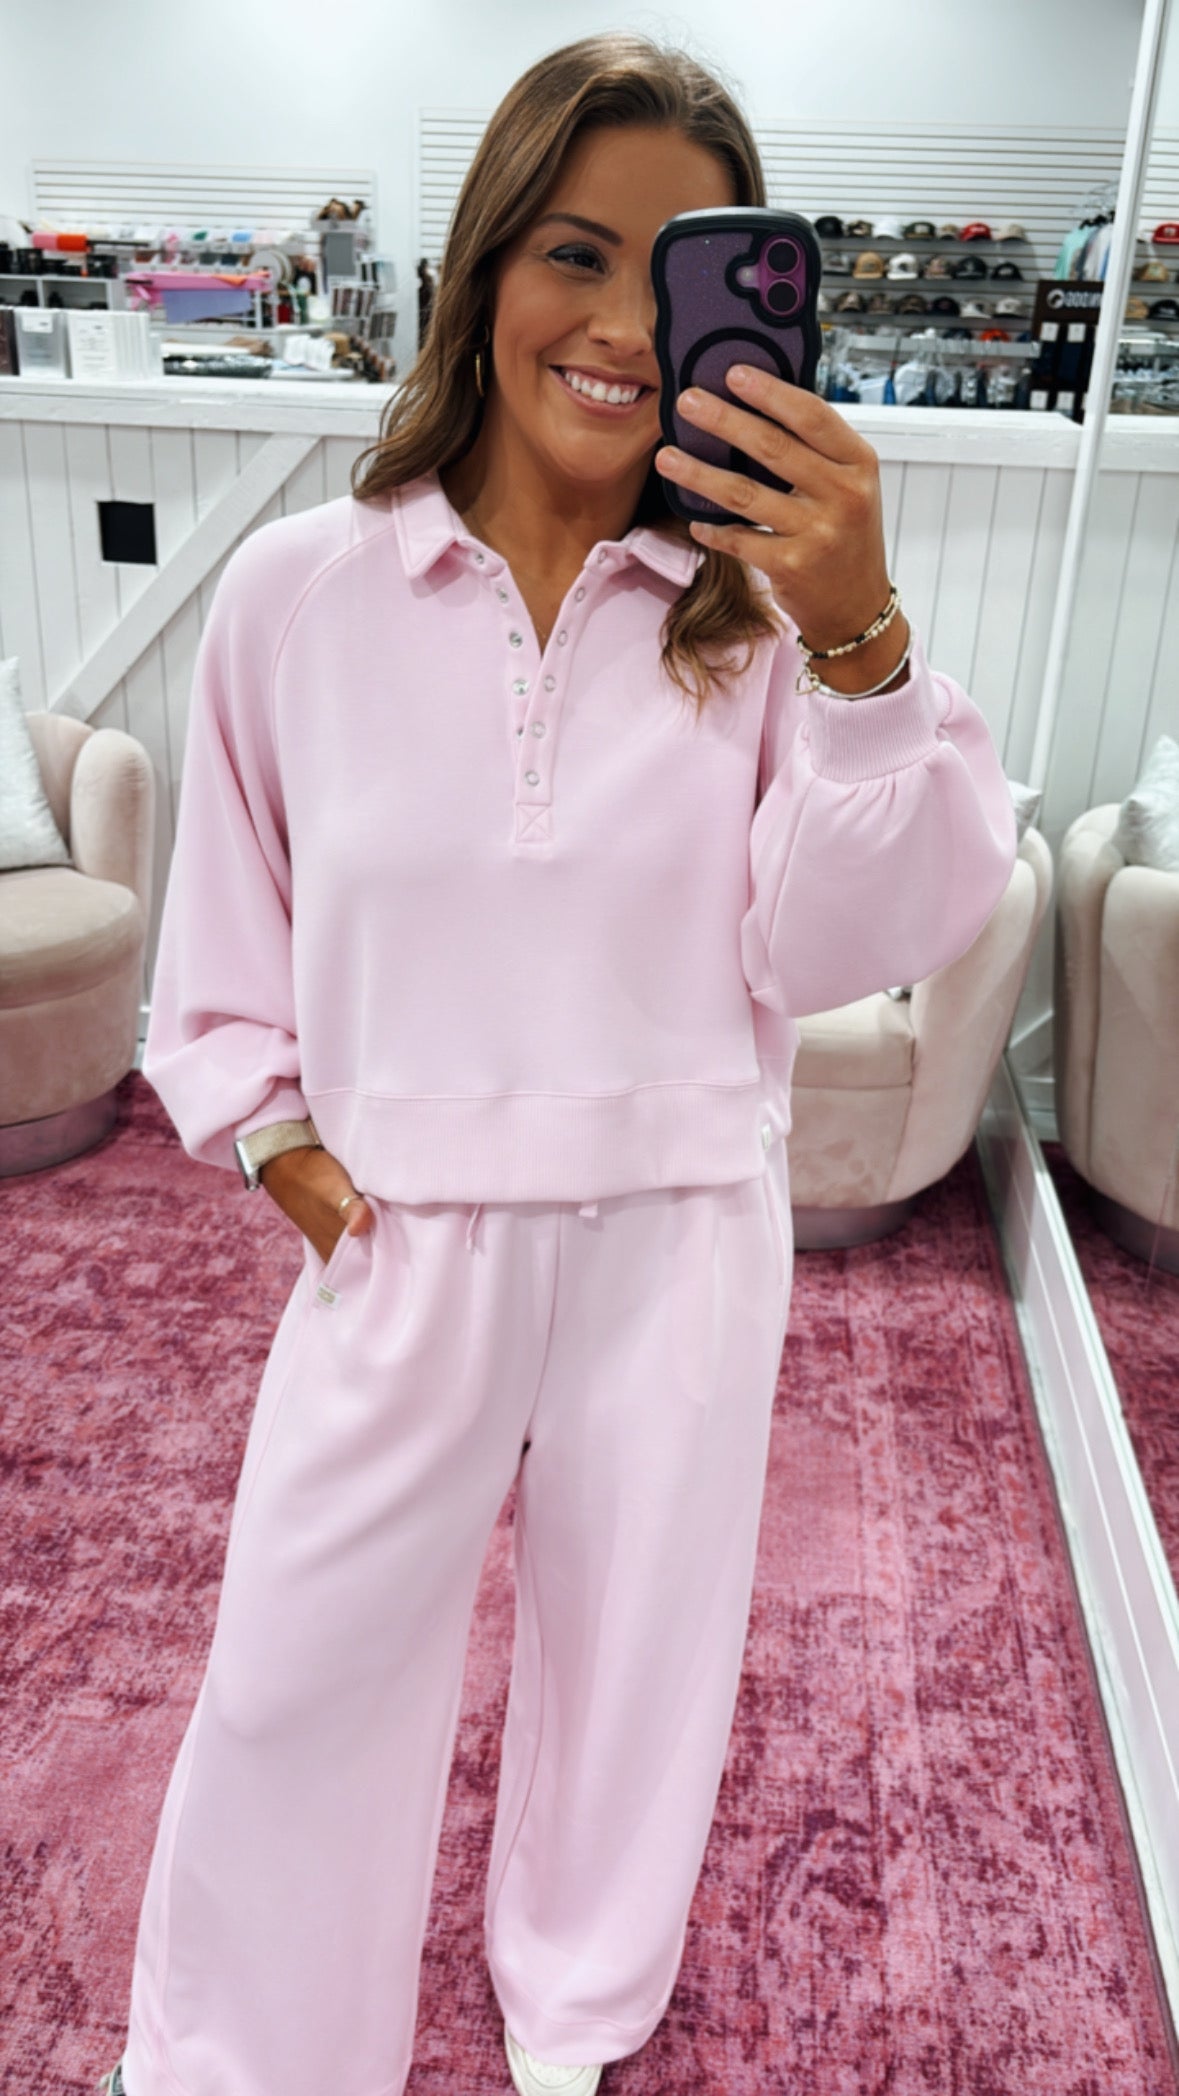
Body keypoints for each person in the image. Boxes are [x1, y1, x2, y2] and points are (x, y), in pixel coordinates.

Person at [99, 31, 1017, 2096]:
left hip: (676, 1234)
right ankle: (245, 2055)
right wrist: (289, 1153)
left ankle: (575, 2019)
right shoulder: (297, 598)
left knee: (635, 1679)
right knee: (295, 1672)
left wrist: (861, 637)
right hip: (402, 1234)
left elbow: (850, 940)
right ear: (484, 264)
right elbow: (224, 941)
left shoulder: (760, 621)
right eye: (571, 253)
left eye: (673, 277)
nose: (619, 330)